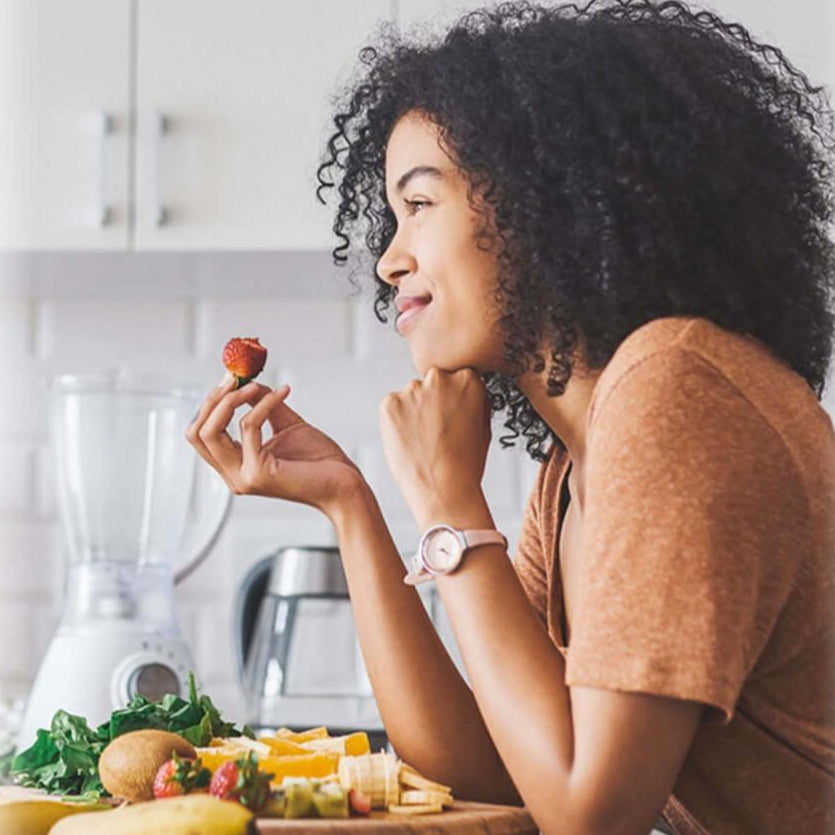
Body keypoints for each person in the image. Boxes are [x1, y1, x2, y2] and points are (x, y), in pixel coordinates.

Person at [186, 0, 835, 832]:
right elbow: (497, 773)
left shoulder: (677, 390)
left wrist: (452, 506)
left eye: (418, 205)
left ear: (542, 202)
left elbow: (587, 815)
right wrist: (349, 504)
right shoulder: (574, 466)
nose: (389, 258)